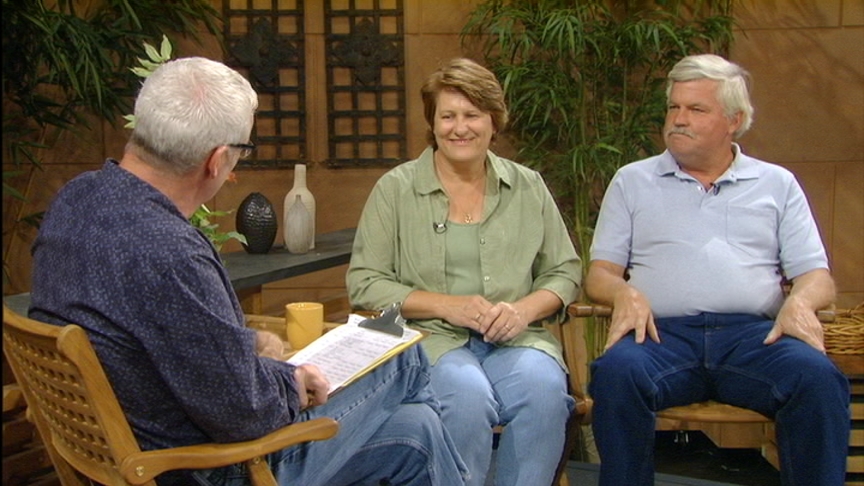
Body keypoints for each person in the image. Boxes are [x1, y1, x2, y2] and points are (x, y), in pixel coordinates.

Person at [28, 57, 467, 486]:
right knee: (403, 354)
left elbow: (157, 333)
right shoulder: (170, 252)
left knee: (417, 431)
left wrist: (249, 345)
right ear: (217, 160)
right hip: (208, 467)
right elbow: (247, 412)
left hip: (123, 452)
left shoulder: (77, 199)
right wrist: (291, 379)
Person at [586, 53, 850, 486]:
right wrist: (623, 293)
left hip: (755, 339)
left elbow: (817, 276)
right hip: (661, 338)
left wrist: (800, 302)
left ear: (735, 120)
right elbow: (599, 274)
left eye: (696, 109)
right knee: (617, 374)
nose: (678, 119)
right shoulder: (632, 181)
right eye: (673, 107)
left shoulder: (776, 183)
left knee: (818, 379)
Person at [347, 57, 582, 486]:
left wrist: (523, 311)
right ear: (432, 123)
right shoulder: (396, 189)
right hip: (430, 342)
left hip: (517, 339)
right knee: (466, 399)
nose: (460, 128)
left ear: (494, 121)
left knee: (546, 393)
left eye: (472, 115)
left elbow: (563, 272)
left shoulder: (527, 185)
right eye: (448, 115)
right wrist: (448, 307)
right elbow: (365, 283)